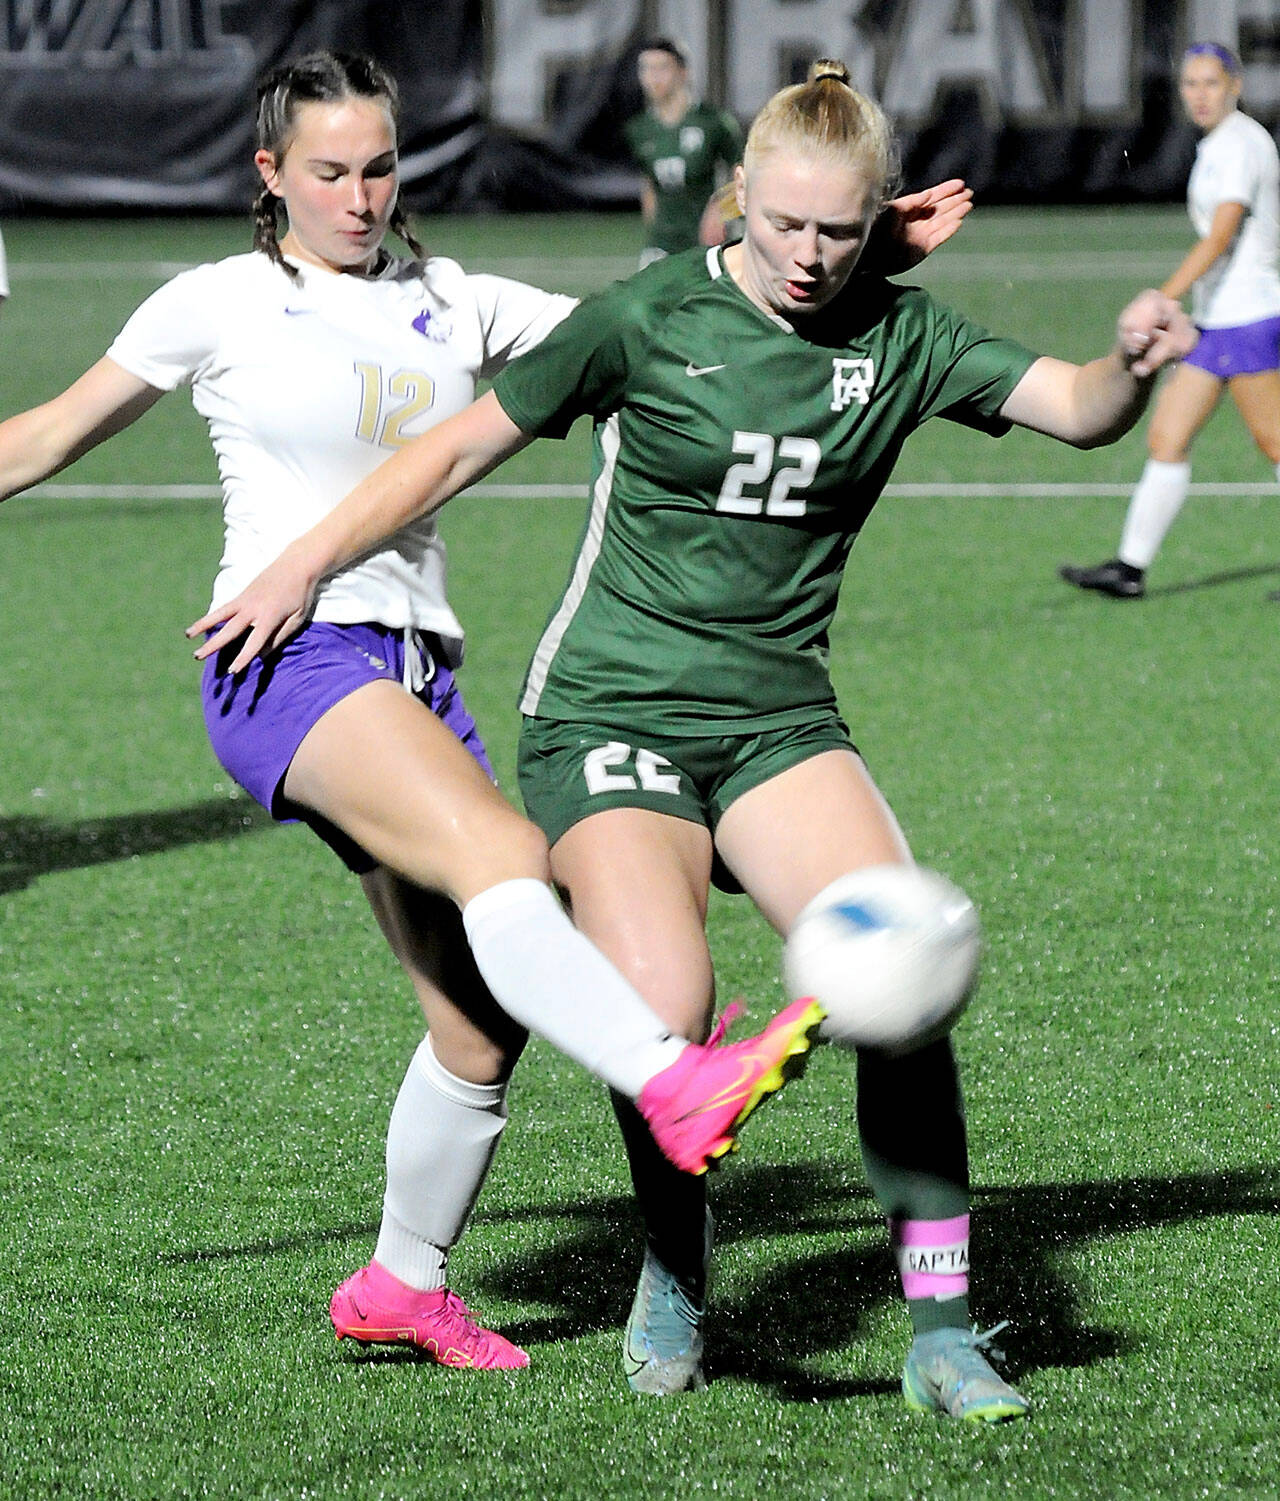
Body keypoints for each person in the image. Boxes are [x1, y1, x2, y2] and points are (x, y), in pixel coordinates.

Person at [193, 59, 1194, 1418]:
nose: (808, 255)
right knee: (661, 1012)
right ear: (737, 199)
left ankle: (944, 1327)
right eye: (783, 224)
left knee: (904, 978)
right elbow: (452, 452)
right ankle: (673, 1267)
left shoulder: (903, 337)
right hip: (607, 714)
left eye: (839, 231)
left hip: (777, 718)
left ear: (882, 223)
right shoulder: (648, 317)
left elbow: (1077, 408)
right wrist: (303, 565)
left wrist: (1130, 362)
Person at [0, 50, 833, 1374]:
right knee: (507, 859)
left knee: (476, 1024)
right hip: (285, 658)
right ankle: (674, 1083)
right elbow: (44, 434)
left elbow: (667, 323)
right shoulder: (217, 300)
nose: (359, 196)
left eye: (379, 168)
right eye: (328, 171)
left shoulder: (458, 300)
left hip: (416, 676)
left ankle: (402, 1281)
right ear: (269, 173)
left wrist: (815, 241)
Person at [1060, 41, 1280, 599]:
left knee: (1276, 443)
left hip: (1250, 317)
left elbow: (1222, 235)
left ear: (1235, 86)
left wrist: (1163, 298)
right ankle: (1129, 569)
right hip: (1218, 319)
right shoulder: (1220, 144)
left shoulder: (1241, 145)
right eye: (1190, 84)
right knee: (1167, 437)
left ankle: (1129, 567)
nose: (1199, 95)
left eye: (1211, 83)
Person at [623, 36, 743, 267]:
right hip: (661, 244)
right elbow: (648, 183)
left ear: (683, 72)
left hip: (707, 241)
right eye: (646, 69)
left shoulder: (713, 122)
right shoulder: (639, 129)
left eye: (662, 68)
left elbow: (744, 171)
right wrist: (653, 229)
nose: (653, 77)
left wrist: (722, 208)